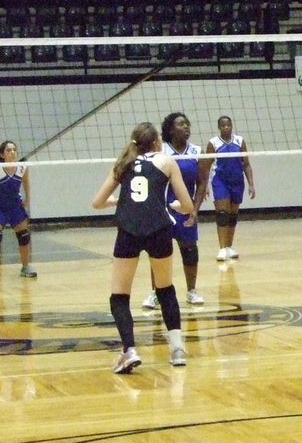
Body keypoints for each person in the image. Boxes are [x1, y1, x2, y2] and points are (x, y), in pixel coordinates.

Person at [91, 122, 194, 374]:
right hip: (159, 229)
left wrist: (118, 200)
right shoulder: (166, 162)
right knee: (165, 288)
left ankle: (130, 350)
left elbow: (97, 202)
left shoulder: (123, 164)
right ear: (157, 142)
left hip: (128, 230)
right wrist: (178, 208)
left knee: (119, 295)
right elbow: (188, 205)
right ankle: (177, 349)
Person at [143, 112, 209, 309]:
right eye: (181, 124)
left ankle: (192, 291)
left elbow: (202, 182)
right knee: (158, 252)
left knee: (189, 249)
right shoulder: (160, 150)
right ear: (170, 129)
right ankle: (155, 292)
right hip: (163, 208)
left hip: (185, 208)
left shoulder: (196, 151)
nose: (186, 127)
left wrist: (194, 210)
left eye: (188, 123)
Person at [202, 115, 255, 262]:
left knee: (232, 216)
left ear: (232, 126)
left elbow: (246, 164)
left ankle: (229, 247)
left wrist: (251, 184)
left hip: (237, 181)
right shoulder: (213, 143)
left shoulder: (240, 141)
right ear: (219, 127)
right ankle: (222, 248)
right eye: (223, 126)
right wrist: (204, 185)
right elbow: (206, 166)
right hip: (220, 181)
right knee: (222, 214)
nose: (226, 128)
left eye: (228, 125)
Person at [0, 141, 37, 279]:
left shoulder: (21, 168)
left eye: (14, 150)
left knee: (24, 236)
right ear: (2, 154)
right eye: (8, 150)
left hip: (15, 208)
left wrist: (28, 199)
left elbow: (26, 183)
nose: (12, 152)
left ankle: (25, 267)